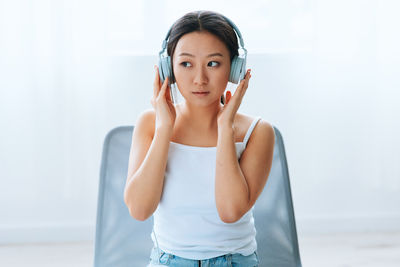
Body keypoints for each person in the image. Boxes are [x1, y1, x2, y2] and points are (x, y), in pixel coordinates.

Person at [124, 10, 275, 267]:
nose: (199, 79)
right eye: (186, 64)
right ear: (168, 68)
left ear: (234, 69)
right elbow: (139, 209)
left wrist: (225, 127)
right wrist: (164, 129)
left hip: (234, 261)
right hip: (166, 261)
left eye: (213, 63)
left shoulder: (258, 133)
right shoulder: (150, 124)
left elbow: (230, 211)